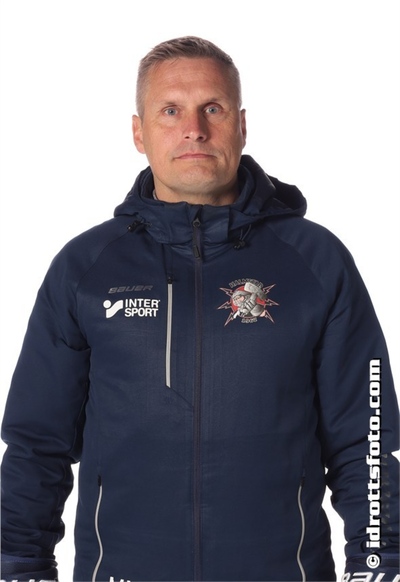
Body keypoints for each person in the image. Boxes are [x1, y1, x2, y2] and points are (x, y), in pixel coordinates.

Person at [1, 35, 399, 582]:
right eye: (170, 110)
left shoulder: (316, 262)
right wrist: (19, 565)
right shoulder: (86, 267)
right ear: (138, 132)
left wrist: (380, 561)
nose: (194, 128)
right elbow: (36, 443)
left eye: (212, 108)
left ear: (241, 125)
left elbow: (366, 440)